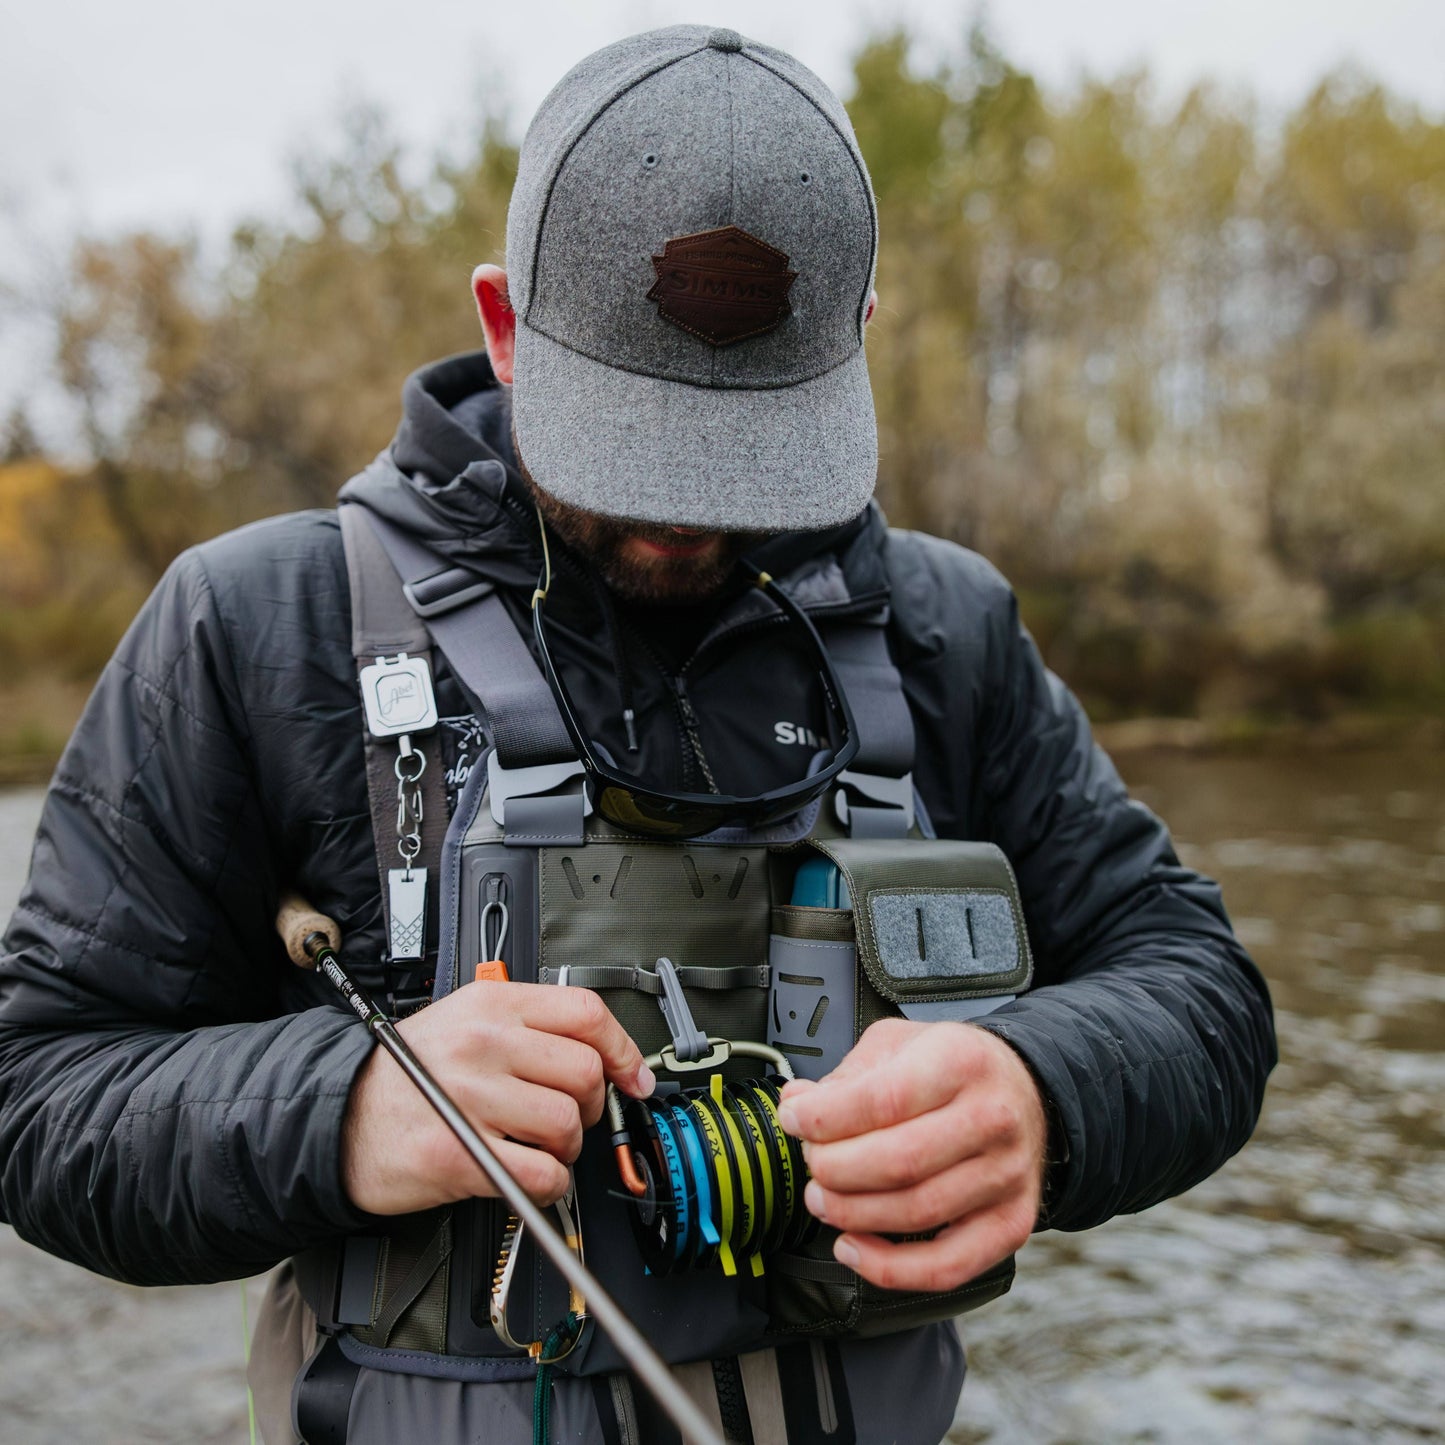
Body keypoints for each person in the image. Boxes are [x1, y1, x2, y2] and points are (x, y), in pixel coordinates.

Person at [0, 24, 1275, 1445]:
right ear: (501, 323)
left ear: (852, 344)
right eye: (635, 438)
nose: (687, 509)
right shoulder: (254, 624)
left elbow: (1200, 987)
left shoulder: (945, 625)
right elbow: (39, 1094)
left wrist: (1048, 1090)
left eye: (749, 447)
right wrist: (349, 1106)